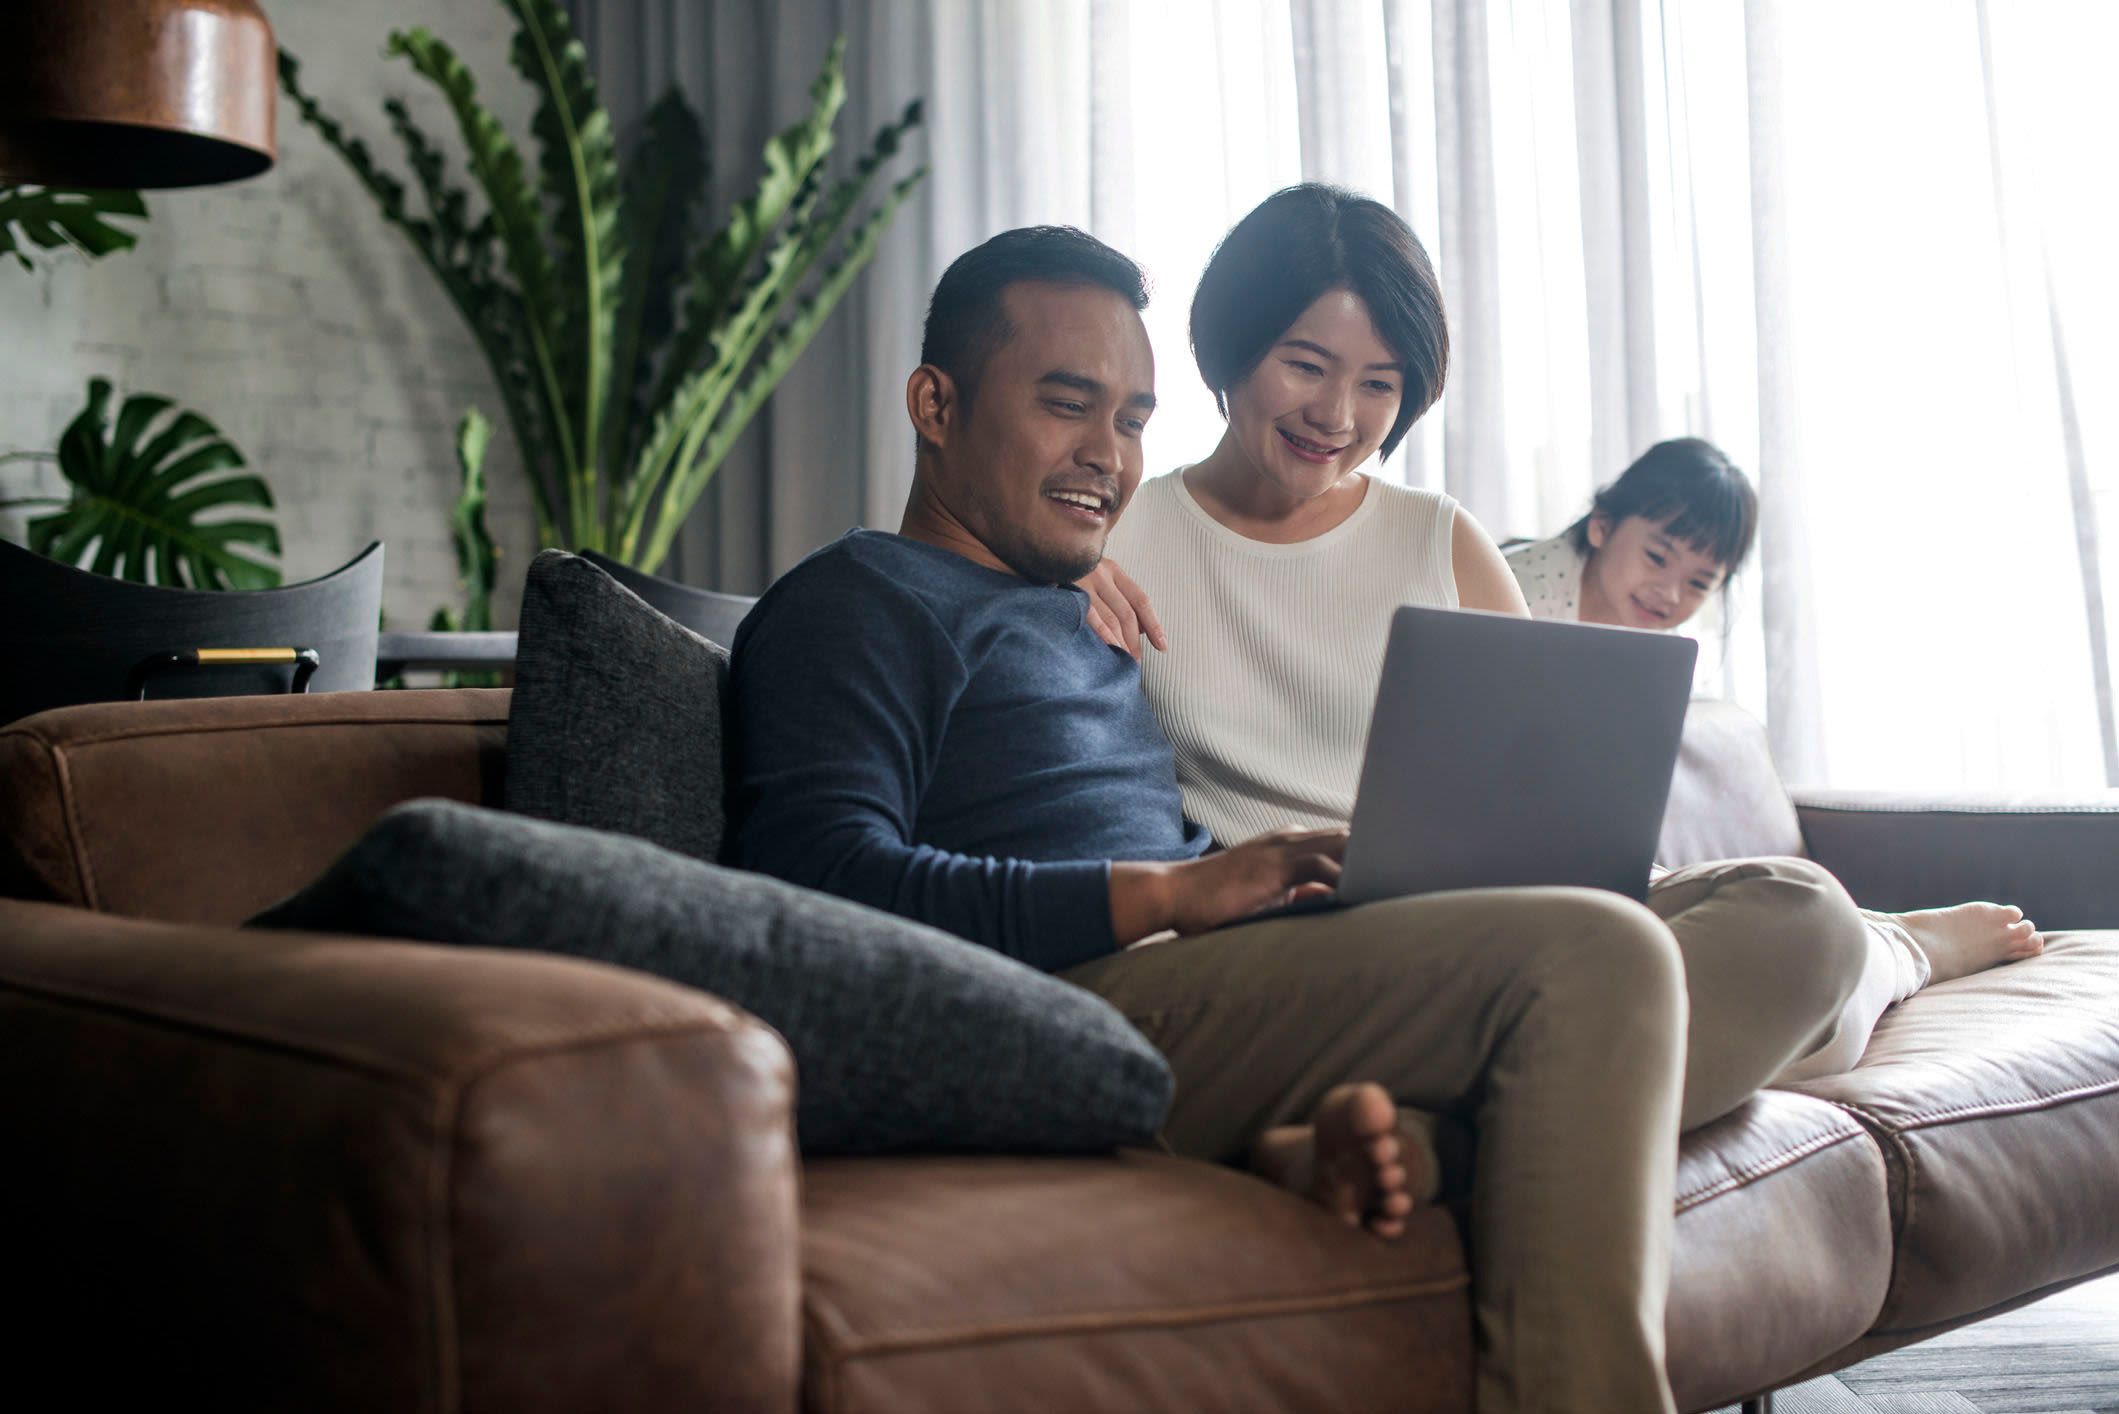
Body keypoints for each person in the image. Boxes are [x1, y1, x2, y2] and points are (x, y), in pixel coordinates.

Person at [729, 224, 1695, 1414]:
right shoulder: (854, 603)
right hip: (1079, 1005)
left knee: (1713, 917)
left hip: (1223, 964)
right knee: (1594, 957)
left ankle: (1395, 1141)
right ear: (936, 403)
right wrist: (1170, 891)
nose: (1107, 455)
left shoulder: (1068, 593)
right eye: (1066, 406)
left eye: (1132, 421)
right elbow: (808, 890)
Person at [1085, 183, 2029, 1127]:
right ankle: (1499, 1120)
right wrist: (1067, 577)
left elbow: (1548, 802)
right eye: (1306, 365)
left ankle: (1892, 953)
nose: (1337, 414)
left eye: (1379, 383)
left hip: (1506, 920)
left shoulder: (1439, 540)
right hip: (1308, 959)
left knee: (1800, 916)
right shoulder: (1113, 540)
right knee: (1753, 1005)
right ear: (1231, 344)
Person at [1506, 438, 2044, 1023]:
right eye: (1658, 558)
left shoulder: (1637, 642)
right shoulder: (1512, 591)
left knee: (1742, 910)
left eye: (1698, 582)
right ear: (1602, 527)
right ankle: (1895, 943)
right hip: (1518, 853)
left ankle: (1886, 936)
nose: (1669, 593)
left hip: (1575, 853)